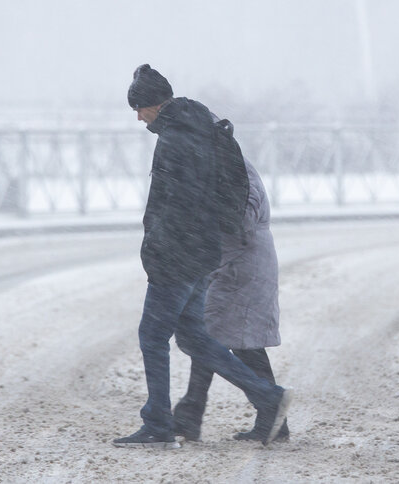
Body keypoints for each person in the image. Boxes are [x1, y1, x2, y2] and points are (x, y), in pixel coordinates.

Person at [112, 64, 292, 449]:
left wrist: (157, 252)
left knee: (152, 336)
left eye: (139, 109)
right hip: (199, 254)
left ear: (153, 105)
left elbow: (175, 204)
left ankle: (159, 423)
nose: (138, 117)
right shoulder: (199, 132)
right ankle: (267, 397)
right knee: (196, 338)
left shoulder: (175, 140)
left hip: (178, 256)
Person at [172, 156, 290, 443]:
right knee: (215, 335)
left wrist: (202, 219)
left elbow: (241, 217)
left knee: (237, 340)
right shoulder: (223, 163)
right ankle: (194, 412)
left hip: (241, 263)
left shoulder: (231, 166)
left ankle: (269, 410)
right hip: (235, 261)